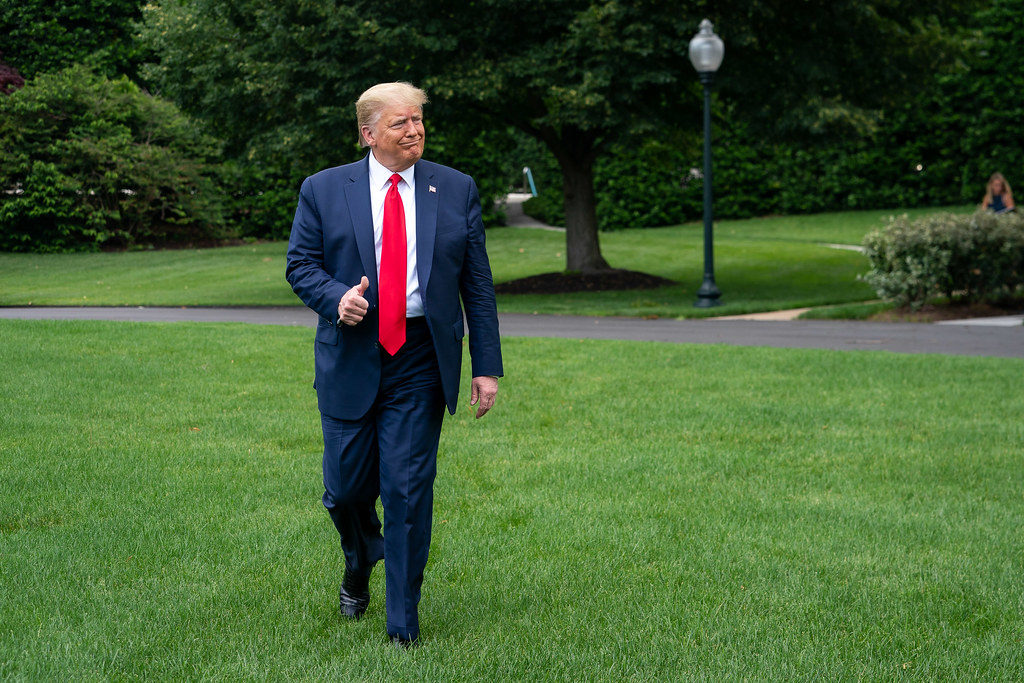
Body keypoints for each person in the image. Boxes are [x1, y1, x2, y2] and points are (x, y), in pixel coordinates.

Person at [285, 82, 503, 647]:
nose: (415, 131)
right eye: (401, 123)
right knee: (347, 490)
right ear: (368, 134)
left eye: (419, 120)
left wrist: (486, 365)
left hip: (420, 356)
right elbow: (300, 265)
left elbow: (476, 285)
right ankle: (359, 562)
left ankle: (402, 623)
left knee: (407, 488)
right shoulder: (324, 189)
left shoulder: (454, 189)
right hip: (352, 352)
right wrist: (337, 297)